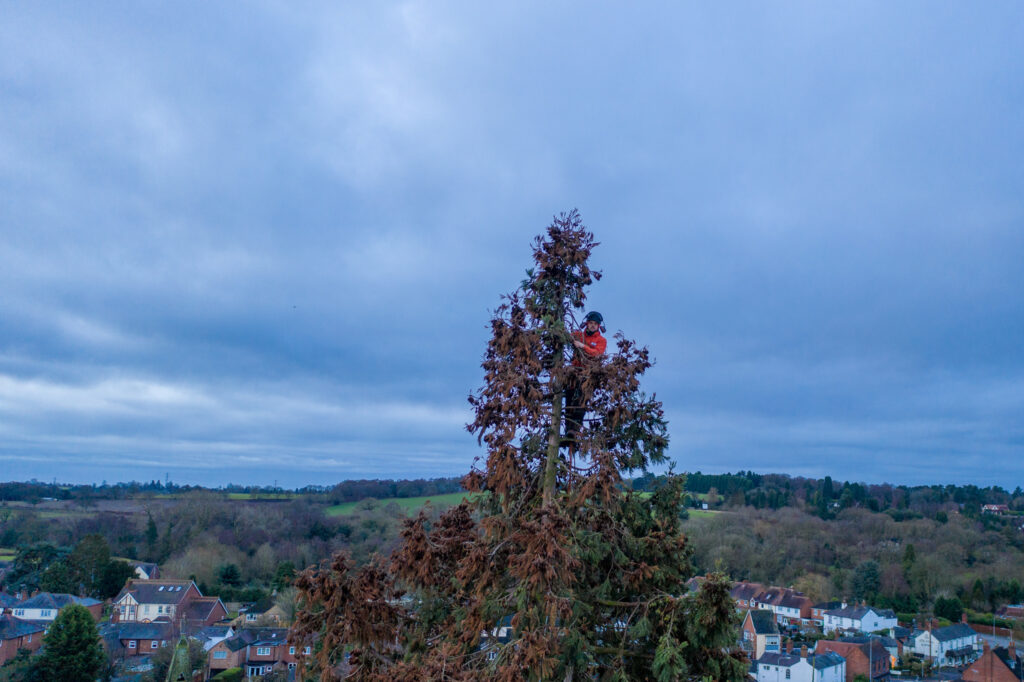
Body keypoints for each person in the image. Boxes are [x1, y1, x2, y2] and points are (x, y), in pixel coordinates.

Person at [563, 311, 607, 448]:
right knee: (569, 400)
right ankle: (568, 430)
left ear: (599, 326)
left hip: (588, 375)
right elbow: (566, 337)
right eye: (591, 323)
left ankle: (575, 430)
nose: (593, 326)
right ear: (587, 323)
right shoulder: (578, 335)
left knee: (581, 401)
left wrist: (583, 347)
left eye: (595, 324)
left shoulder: (601, 340)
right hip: (574, 372)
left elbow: (597, 353)